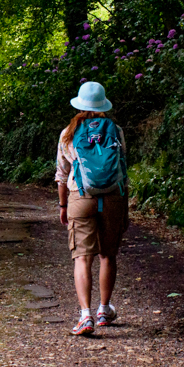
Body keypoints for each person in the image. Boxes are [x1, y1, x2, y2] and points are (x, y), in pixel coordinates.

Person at [55, 81, 129, 336]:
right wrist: (125, 208)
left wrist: (63, 205)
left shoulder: (68, 133)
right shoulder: (116, 130)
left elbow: (61, 176)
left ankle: (85, 316)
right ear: (102, 104)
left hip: (80, 197)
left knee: (82, 257)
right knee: (108, 255)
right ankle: (104, 310)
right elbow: (123, 170)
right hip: (112, 198)